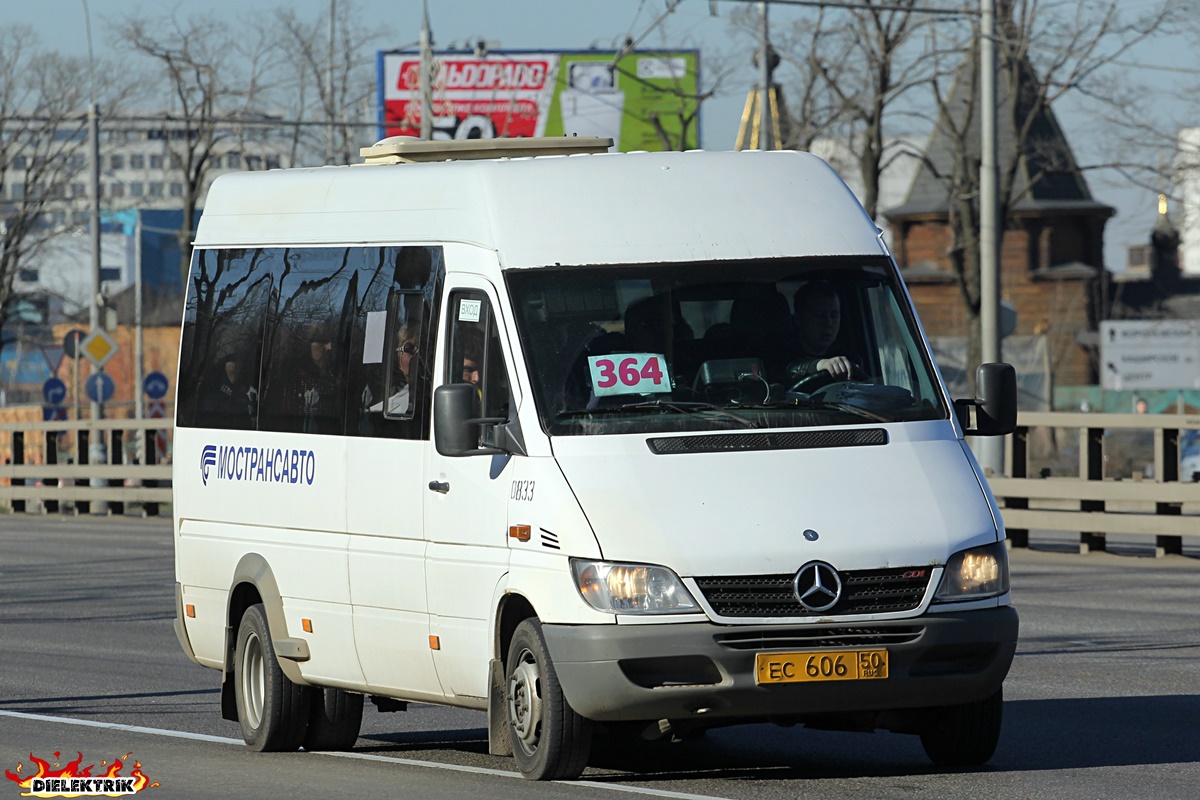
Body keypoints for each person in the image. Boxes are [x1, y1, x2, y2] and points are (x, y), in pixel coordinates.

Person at [787, 280, 857, 381]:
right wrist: (819, 365)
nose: (828, 323)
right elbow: (788, 368)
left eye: (833, 315)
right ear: (798, 319)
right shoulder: (778, 354)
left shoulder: (850, 361)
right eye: (818, 315)